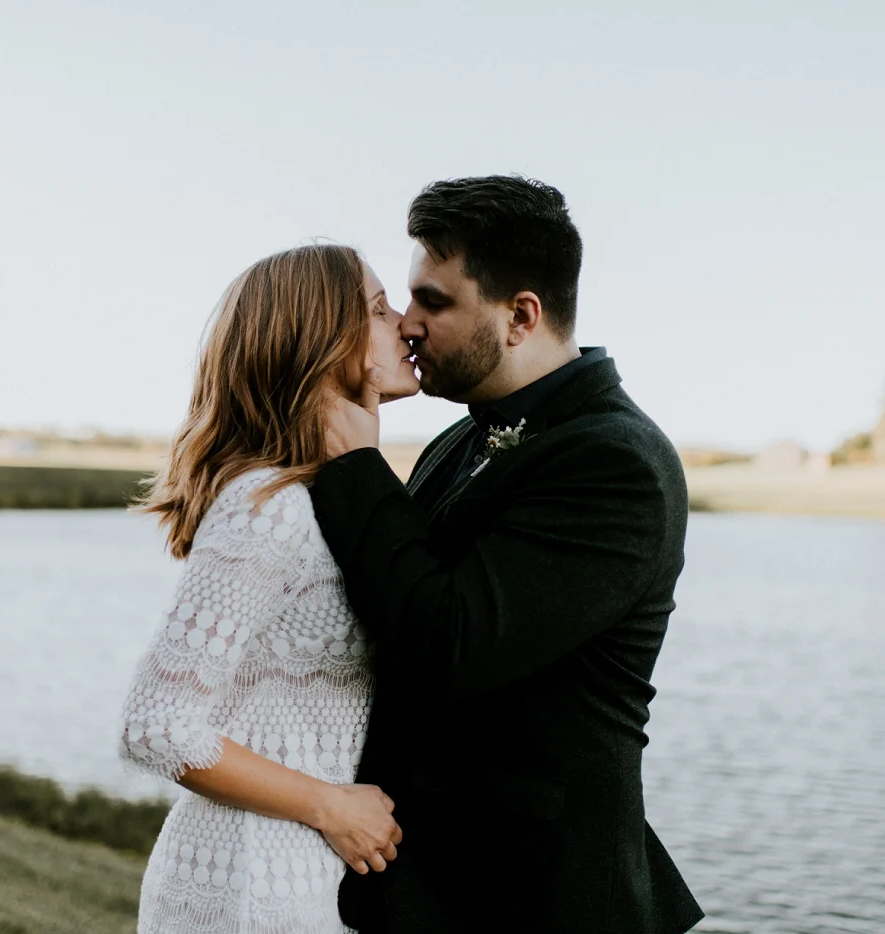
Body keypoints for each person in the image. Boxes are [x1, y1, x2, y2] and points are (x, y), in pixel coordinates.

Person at [314, 175, 704, 933]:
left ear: (521, 315)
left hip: (533, 895)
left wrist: (355, 470)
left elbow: (449, 643)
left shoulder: (615, 463)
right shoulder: (461, 435)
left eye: (435, 301)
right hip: (427, 883)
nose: (410, 324)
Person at [119, 243, 421, 934]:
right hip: (245, 885)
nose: (405, 323)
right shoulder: (268, 506)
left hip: (311, 879)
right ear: (319, 342)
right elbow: (157, 726)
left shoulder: (335, 496)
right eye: (378, 309)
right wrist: (330, 805)